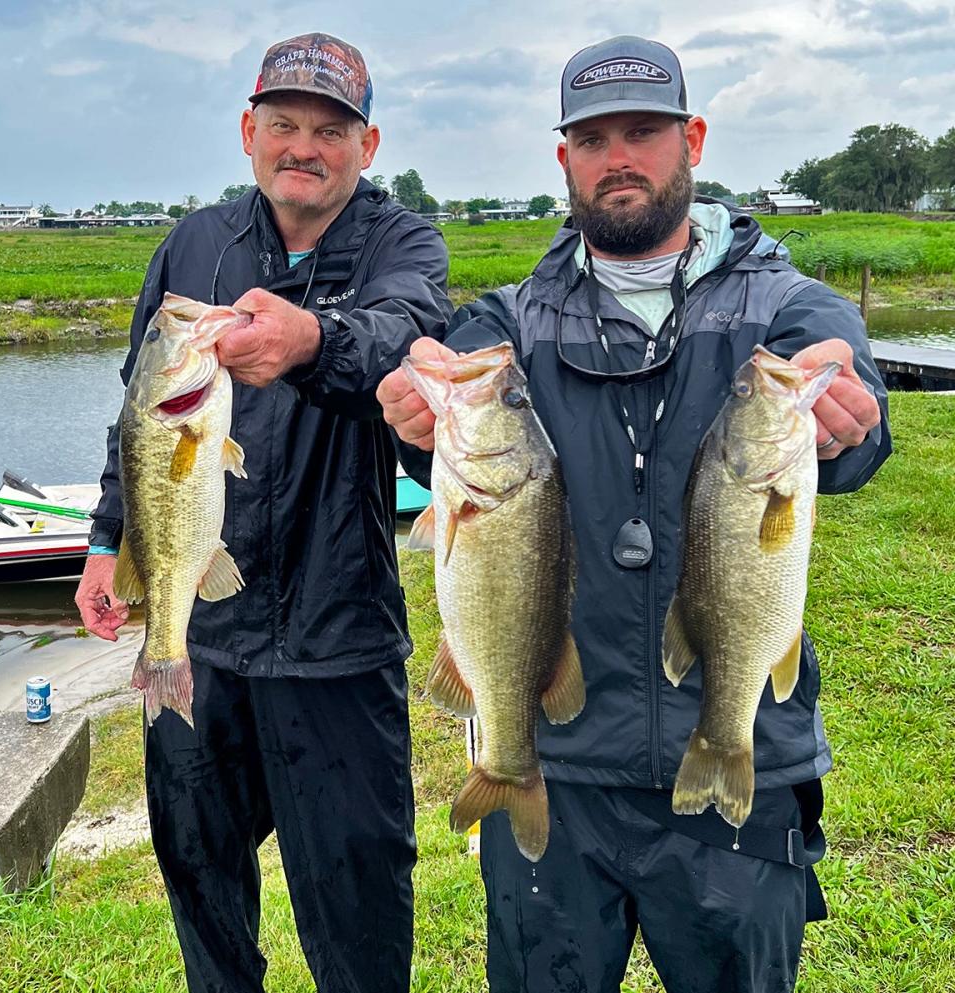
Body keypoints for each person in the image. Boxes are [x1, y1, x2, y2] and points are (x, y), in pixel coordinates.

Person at [378, 36, 889, 993]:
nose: (620, 156)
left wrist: (847, 422)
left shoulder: (783, 304)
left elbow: (845, 392)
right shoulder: (511, 321)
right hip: (561, 770)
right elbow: (448, 377)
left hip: (745, 769)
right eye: (593, 137)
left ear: (690, 138)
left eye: (644, 131)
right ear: (563, 158)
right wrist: (420, 408)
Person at [74, 32, 452, 993]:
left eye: (331, 129)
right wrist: (109, 541)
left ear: (366, 147)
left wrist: (311, 338)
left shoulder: (401, 241)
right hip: (205, 634)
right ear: (249, 131)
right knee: (198, 873)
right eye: (283, 123)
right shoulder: (194, 243)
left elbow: (401, 336)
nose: (304, 146)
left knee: (358, 892)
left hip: (340, 635)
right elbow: (140, 412)